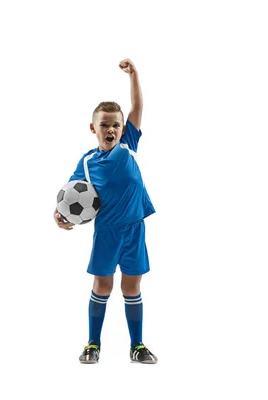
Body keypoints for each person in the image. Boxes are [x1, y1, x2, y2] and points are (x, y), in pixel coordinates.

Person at [53, 59, 158, 364]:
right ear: (93, 128)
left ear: (122, 128)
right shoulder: (86, 163)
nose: (111, 129)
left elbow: (137, 107)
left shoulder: (128, 144)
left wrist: (134, 75)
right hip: (107, 232)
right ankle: (92, 343)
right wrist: (58, 214)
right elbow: (68, 195)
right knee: (102, 285)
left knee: (132, 286)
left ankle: (137, 345)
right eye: (104, 124)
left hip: (135, 229)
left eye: (115, 124)